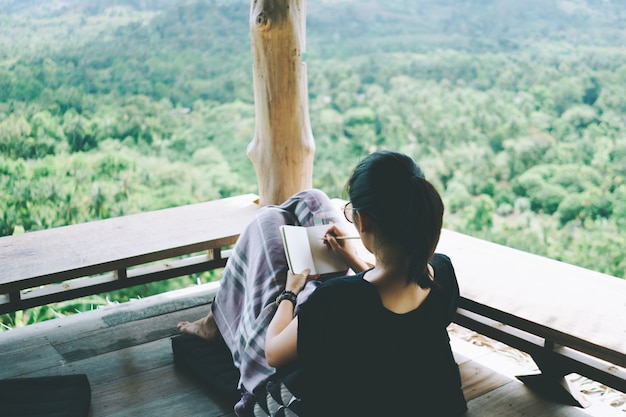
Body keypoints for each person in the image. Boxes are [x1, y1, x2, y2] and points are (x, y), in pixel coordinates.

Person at [178, 150, 468, 416]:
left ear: (362, 221)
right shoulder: (443, 272)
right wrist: (353, 260)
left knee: (266, 222)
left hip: (290, 379)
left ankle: (216, 320)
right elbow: (392, 307)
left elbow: (274, 353)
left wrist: (290, 291)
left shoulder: (336, 300)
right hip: (411, 387)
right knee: (311, 199)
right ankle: (217, 320)